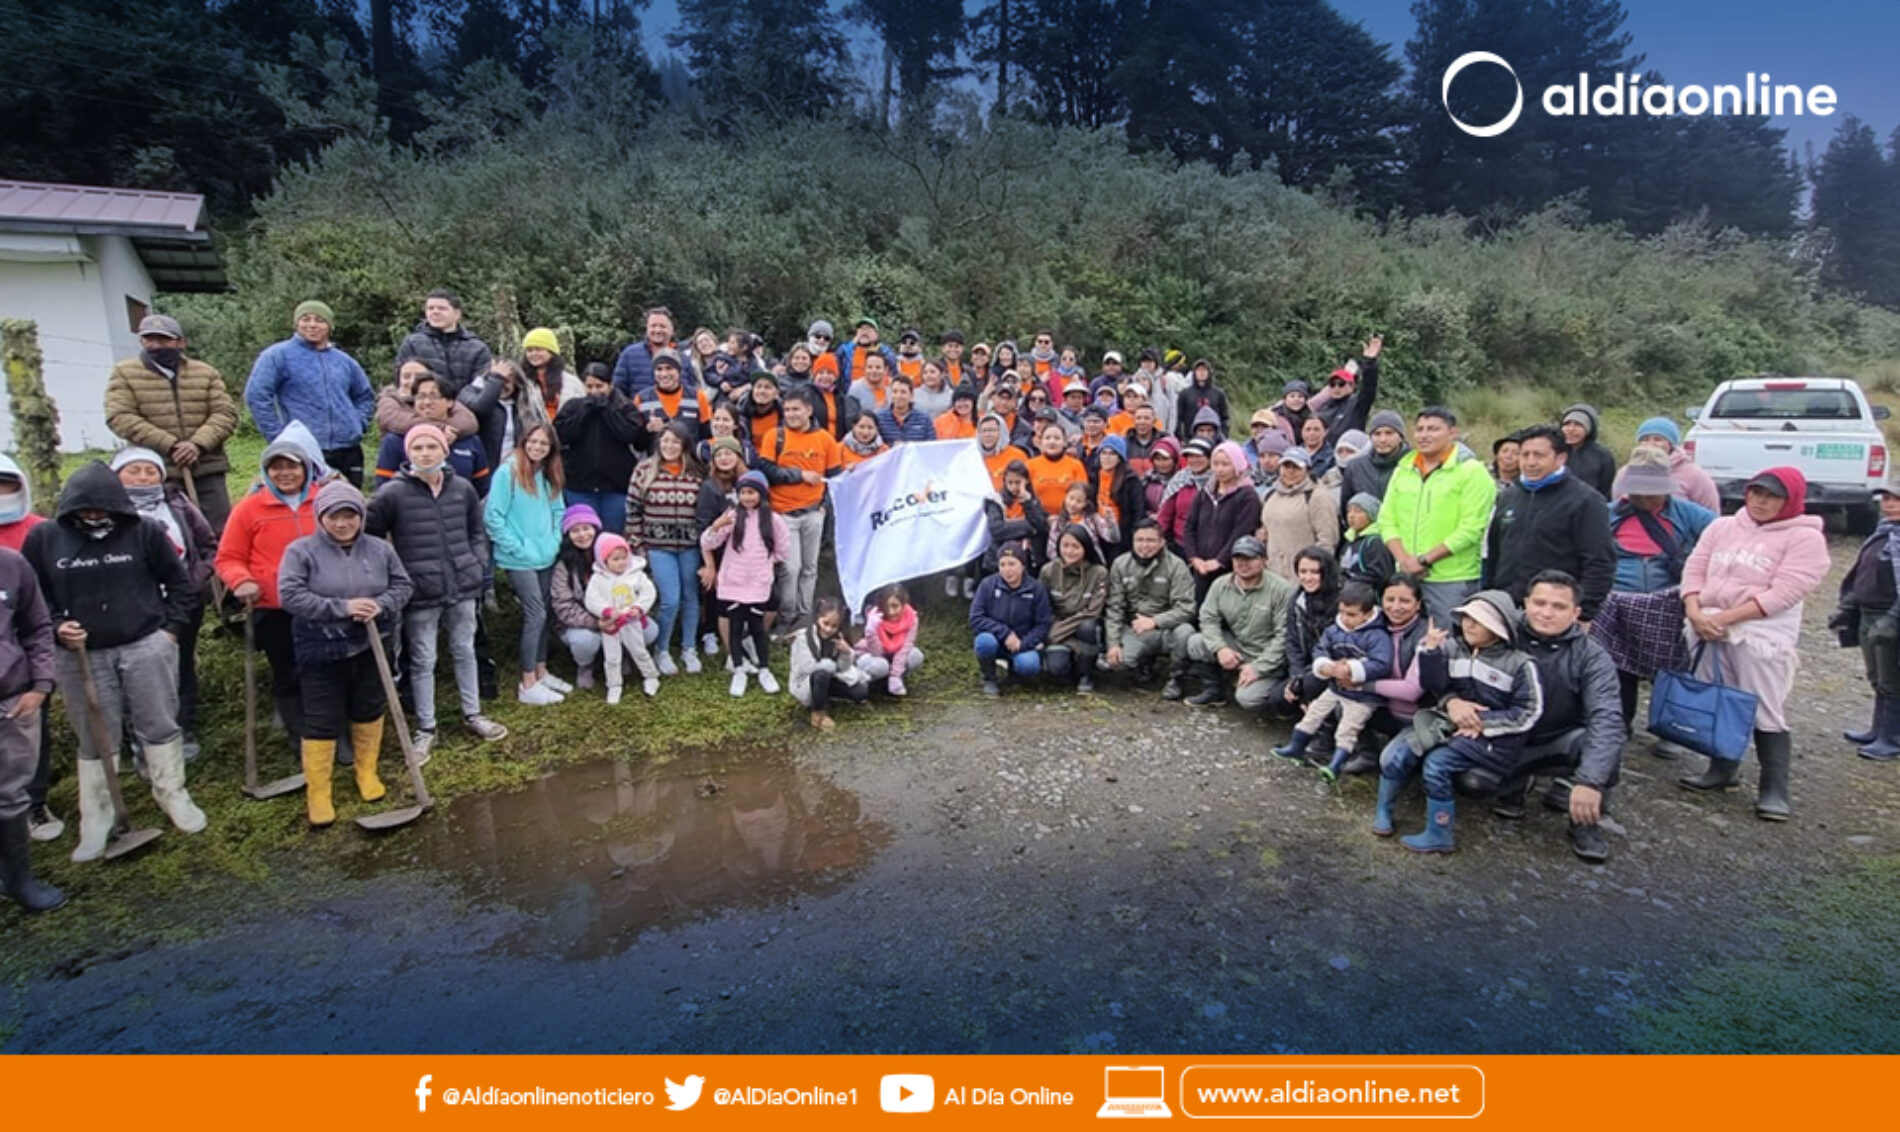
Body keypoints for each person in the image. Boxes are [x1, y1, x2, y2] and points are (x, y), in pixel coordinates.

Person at [26, 463, 202, 860]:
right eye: (85, 510)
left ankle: (173, 795)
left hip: (145, 643)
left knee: (158, 721)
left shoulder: (143, 532)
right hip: (80, 654)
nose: (93, 516)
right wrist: (57, 627)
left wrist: (169, 632)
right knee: (94, 733)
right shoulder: (45, 538)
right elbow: (34, 598)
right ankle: (98, 817)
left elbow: (181, 584)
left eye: (102, 509)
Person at [1675, 468, 1830, 820]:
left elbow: (1786, 592)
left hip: (1761, 631)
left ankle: (1774, 789)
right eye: (1756, 492)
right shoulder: (1723, 526)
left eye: (1772, 496)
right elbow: (1695, 568)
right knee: (1719, 695)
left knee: (1762, 705)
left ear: (1789, 500)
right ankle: (1722, 768)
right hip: (1707, 624)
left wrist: (1726, 619)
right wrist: (1695, 610)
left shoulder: (1805, 538)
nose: (1761, 501)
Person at [276, 481, 413, 826]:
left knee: (368, 707)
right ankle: (318, 792)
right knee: (321, 717)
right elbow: (290, 596)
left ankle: (366, 773)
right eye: (334, 516)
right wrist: (342, 607)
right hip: (321, 646)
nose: (343, 523)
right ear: (322, 517)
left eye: (350, 516)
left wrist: (380, 605)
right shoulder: (300, 551)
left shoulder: (380, 549)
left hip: (372, 642)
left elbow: (403, 586)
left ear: (360, 516)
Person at [367, 424, 507, 757]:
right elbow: (372, 538)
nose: (425, 453)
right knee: (422, 659)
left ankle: (473, 714)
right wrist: (396, 575)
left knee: (465, 649)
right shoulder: (392, 493)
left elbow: (476, 528)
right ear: (408, 453)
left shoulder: (462, 488)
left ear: (445, 451)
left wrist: (475, 562)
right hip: (419, 590)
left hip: (462, 584)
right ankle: (426, 727)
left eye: (432, 446)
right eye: (418, 448)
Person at [1373, 591, 1542, 853]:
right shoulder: (1453, 648)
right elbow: (1436, 686)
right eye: (1467, 617)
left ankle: (1440, 832)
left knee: (1436, 765)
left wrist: (1479, 722)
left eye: (1480, 620)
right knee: (1396, 754)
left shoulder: (1519, 664)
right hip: (1448, 722)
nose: (1470, 624)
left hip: (1493, 740)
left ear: (1500, 628)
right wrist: (1431, 656)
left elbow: (1529, 711)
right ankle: (1383, 812)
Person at [1490, 571, 1627, 863]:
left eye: (1559, 606)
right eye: (1539, 603)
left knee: (1606, 745)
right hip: (1504, 736)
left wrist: (1590, 781)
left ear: (1576, 612)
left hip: (1559, 740)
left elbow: (1607, 717)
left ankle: (1585, 822)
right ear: (1525, 602)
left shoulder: (1592, 656)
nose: (1546, 613)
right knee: (1472, 783)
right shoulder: (1500, 635)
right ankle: (1513, 787)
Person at [1590, 448, 1716, 746]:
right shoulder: (1609, 515)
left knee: (1668, 668)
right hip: (1616, 602)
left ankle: (1670, 727)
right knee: (1618, 668)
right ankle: (1618, 726)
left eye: (1652, 493)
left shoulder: (1689, 515)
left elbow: (1722, 539)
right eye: (1639, 492)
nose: (1646, 499)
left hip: (1668, 603)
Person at [217, 435, 325, 775]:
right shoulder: (249, 509)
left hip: (324, 603)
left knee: (326, 672)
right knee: (289, 672)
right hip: (274, 605)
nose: (285, 473)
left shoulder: (323, 501)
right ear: (266, 472)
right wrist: (241, 581)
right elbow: (229, 557)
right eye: (276, 467)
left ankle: (333, 734)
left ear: (305, 468)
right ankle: (302, 741)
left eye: (291, 466)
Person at [109, 448, 216, 762]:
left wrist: (191, 584)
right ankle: (140, 738)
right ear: (117, 475)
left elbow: (207, 546)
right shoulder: (108, 512)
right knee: (135, 672)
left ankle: (183, 728)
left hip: (180, 603)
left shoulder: (179, 505)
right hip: (133, 607)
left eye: (150, 471)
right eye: (134, 470)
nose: (143, 477)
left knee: (180, 665)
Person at [103, 314, 240, 532]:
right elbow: (120, 416)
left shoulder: (205, 373)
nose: (156, 345)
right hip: (155, 472)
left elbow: (225, 413)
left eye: (164, 340)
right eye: (150, 339)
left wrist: (197, 444)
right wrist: (171, 444)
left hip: (206, 467)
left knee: (219, 531)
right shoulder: (125, 373)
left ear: (180, 342)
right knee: (165, 532)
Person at [1483, 424, 1616, 620]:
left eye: (1539, 455)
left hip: (1555, 612)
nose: (1530, 462)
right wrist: (1490, 599)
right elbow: (1494, 553)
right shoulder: (1509, 496)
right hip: (1507, 607)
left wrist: (1584, 614)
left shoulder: (1585, 500)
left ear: (1560, 458)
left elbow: (1599, 562)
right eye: (1525, 455)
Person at [1380, 406, 1497, 627]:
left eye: (1433, 429)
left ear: (1453, 432)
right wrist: (1405, 560)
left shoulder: (1471, 471)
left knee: (1446, 643)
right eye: (1420, 429)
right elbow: (1387, 520)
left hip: (1451, 579)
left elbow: (1471, 528)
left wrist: (1425, 559)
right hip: (1406, 576)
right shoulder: (1403, 469)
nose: (1424, 435)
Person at [1270, 581, 1392, 781]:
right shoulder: (1335, 629)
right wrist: (1323, 665)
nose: (1345, 618)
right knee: (1314, 713)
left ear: (1368, 614)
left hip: (1363, 696)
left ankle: (1337, 763)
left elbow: (1382, 664)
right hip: (1336, 688)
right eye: (1342, 612)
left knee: (1348, 728)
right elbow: (1321, 648)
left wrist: (1353, 670)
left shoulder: (1377, 636)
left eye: (1352, 615)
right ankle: (1296, 747)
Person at [244, 301, 375, 486]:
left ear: (330, 326)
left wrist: (357, 424)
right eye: (306, 319)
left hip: (348, 449)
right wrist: (279, 438)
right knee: (308, 508)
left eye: (320, 320)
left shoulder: (345, 361)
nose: (312, 324)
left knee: (348, 507)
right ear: (297, 324)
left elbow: (364, 396)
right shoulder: (277, 356)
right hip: (303, 450)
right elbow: (257, 396)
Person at [0, 458, 62, 844]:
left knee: (33, 733)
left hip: (27, 654)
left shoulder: (40, 531)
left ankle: (33, 804)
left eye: (7, 486)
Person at [485, 421, 568, 705]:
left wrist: (555, 541)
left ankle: (542, 671)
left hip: (546, 554)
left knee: (544, 611)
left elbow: (559, 511)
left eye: (544, 444)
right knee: (535, 613)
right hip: (518, 559)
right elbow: (493, 517)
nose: (537, 448)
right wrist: (518, 548)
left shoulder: (547, 474)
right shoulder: (507, 472)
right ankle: (527, 681)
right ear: (523, 442)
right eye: (533, 442)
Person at [0, 538, 58, 909]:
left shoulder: (11, 564)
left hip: (12, 700)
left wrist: (40, 686)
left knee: (9, 794)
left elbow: (37, 627)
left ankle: (19, 881)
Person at [755, 388, 840, 634]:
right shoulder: (776, 436)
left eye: (796, 409)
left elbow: (834, 477)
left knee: (809, 568)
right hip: (783, 514)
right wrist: (799, 475)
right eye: (788, 410)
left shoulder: (825, 439)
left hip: (814, 512)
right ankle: (786, 615)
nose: (791, 414)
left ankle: (804, 618)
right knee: (789, 568)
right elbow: (767, 470)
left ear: (809, 410)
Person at [626, 421, 708, 676]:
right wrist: (637, 545)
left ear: (684, 444)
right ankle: (661, 649)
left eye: (675, 441)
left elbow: (705, 510)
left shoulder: (697, 471)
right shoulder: (644, 470)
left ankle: (688, 647)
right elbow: (632, 509)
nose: (670, 446)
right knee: (670, 600)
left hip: (690, 546)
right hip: (658, 546)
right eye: (665, 441)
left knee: (691, 598)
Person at [1178, 536, 1293, 709]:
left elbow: (1284, 637)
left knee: (1248, 699)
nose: (1243, 563)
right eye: (1238, 558)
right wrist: (1221, 648)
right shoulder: (1220, 584)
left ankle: (1282, 692)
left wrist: (1258, 668)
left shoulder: (1282, 590)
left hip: (1269, 656)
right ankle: (1214, 691)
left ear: (1264, 560)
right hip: (1239, 646)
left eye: (1250, 558)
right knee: (1196, 642)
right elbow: (1208, 618)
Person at [700, 471, 788, 697]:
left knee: (758, 628)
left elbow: (782, 550)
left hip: (758, 584)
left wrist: (763, 566)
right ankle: (738, 669)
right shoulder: (731, 516)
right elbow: (707, 542)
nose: (747, 497)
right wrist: (716, 526)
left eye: (752, 492)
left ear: (762, 494)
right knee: (735, 628)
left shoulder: (774, 520)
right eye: (743, 493)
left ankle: (764, 669)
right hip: (733, 583)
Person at [1835, 479, 1900, 760]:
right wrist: (1849, 604)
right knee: (1876, 676)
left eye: (1896, 500)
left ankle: (1892, 736)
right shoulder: (1882, 532)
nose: (1889, 504)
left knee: (1892, 679)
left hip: (1890, 615)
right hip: (1868, 613)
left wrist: (1893, 619)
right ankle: (1877, 728)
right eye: (1886, 498)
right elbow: (1861, 571)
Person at [555, 362, 643, 538]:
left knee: (611, 535)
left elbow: (630, 435)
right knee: (584, 535)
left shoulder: (624, 407)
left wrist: (607, 410)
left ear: (610, 386)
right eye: (589, 386)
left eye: (599, 386)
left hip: (615, 486)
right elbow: (562, 435)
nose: (594, 391)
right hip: (580, 485)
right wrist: (585, 411)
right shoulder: (573, 406)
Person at [1105, 519, 1196, 687]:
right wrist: (1113, 644)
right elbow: (1114, 608)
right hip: (1135, 629)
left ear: (1162, 542)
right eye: (1140, 540)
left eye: (1151, 540)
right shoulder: (1120, 564)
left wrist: (1155, 621)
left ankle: (1176, 678)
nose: (1145, 545)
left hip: (1166, 629)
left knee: (1186, 633)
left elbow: (1186, 608)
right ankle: (1143, 665)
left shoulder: (1176, 565)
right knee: (1117, 663)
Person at [373, 374, 491, 494]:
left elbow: (482, 489)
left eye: (434, 396)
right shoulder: (395, 440)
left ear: (450, 402)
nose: (427, 402)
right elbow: (383, 488)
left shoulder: (470, 441)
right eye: (421, 396)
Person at [584, 534, 663, 702]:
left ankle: (651, 676)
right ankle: (613, 685)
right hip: (611, 624)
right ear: (604, 560)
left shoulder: (636, 574)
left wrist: (638, 608)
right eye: (615, 559)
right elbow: (591, 599)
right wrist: (605, 611)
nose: (621, 562)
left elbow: (649, 592)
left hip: (631, 621)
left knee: (639, 650)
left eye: (624, 557)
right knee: (612, 657)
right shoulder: (598, 578)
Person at [1183, 441, 1262, 604]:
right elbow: (1190, 527)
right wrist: (1194, 557)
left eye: (1225, 464)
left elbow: (1241, 531)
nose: (1219, 469)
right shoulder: (1204, 493)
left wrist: (1220, 560)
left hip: (1230, 568)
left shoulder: (1247, 496)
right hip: (1201, 568)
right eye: (1216, 464)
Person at [970, 545, 1053, 697]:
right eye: (1002, 564)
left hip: (1021, 642)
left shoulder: (1036, 588)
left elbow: (1043, 624)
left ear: (1022, 565)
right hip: (996, 639)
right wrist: (1005, 633)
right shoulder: (987, 585)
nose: (1007, 570)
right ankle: (989, 678)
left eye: (1012, 564)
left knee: (1029, 665)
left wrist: (1023, 644)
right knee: (984, 642)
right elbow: (976, 617)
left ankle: (1014, 671)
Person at [551, 505, 617, 690]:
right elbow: (563, 605)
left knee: (649, 631)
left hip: (612, 614)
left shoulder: (612, 554)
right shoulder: (563, 565)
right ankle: (585, 666)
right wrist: (595, 622)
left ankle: (622, 657)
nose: (582, 535)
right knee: (586, 641)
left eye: (587, 528)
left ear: (596, 529)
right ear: (567, 534)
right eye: (575, 530)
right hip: (578, 623)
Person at [1270, 547, 1342, 716]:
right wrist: (1297, 676)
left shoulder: (1342, 601)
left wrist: (1304, 684)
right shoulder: (1297, 599)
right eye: (1303, 571)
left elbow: (1336, 650)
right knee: (1278, 699)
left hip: (1332, 667)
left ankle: (1320, 732)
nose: (1307, 578)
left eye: (1314, 572)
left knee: (1307, 689)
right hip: (1307, 668)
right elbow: (1292, 642)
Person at [1040, 526, 1109, 695]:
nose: (1069, 551)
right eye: (1065, 546)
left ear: (1086, 547)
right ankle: (1076, 655)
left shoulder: (1099, 572)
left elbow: (1093, 611)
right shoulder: (1048, 571)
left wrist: (1055, 634)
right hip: (1058, 623)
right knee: (1057, 669)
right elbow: (1042, 608)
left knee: (1088, 627)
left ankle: (1087, 675)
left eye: (1076, 546)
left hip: (1081, 625)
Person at [1258, 447, 1339, 583]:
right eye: (1286, 466)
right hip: (1273, 576)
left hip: (1303, 578)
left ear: (1307, 469)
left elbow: (1327, 540)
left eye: (1296, 467)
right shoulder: (1270, 495)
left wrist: (1314, 574)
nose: (1290, 471)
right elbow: (1265, 531)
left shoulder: (1317, 496)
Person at [394, 289, 495, 397]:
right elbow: (401, 381)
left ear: (457, 313)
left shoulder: (478, 349)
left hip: (466, 409)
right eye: (430, 308)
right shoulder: (412, 343)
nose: (435, 312)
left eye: (442, 308)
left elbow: (480, 387)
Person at [793, 596, 871, 730]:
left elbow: (843, 668)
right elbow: (807, 667)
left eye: (834, 626)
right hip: (807, 682)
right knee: (822, 674)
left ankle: (825, 696)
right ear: (818, 618)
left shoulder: (838, 639)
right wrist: (830, 666)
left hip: (831, 677)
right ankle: (818, 713)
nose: (828, 629)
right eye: (825, 623)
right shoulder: (804, 638)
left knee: (860, 692)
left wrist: (846, 653)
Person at [378, 360, 481, 443]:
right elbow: (399, 422)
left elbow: (468, 421)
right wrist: (440, 428)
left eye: (419, 375)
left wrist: (448, 431)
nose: (413, 380)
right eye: (406, 376)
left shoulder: (444, 396)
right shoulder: (389, 398)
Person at [1336, 409, 1409, 526]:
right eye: (1377, 434)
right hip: (1366, 536)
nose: (1382, 439)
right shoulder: (1356, 467)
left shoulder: (1414, 464)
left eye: (1389, 433)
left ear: (1401, 437)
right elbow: (1347, 506)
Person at [1306, 335, 1384, 444]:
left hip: (1351, 455)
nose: (1336, 388)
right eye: (1332, 384)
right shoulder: (1322, 408)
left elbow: (1369, 388)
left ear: (1352, 386)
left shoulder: (1357, 404)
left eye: (1341, 384)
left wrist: (1370, 361)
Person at [631, 350, 713, 453]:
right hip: (657, 465)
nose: (664, 374)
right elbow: (637, 445)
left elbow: (707, 436)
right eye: (659, 369)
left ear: (679, 371)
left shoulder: (698, 396)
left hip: (691, 464)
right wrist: (647, 430)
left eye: (669, 368)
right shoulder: (641, 399)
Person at [1633, 417, 1720, 511]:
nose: (1651, 444)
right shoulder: (1627, 472)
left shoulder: (1695, 475)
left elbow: (1711, 515)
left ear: (1671, 444)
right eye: (1645, 439)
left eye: (1658, 439)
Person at [855, 585, 924, 696]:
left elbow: (905, 647)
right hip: (870, 655)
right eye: (886, 607)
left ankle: (892, 679)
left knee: (915, 655)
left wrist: (895, 676)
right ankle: (865, 683)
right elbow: (877, 653)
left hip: (894, 656)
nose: (891, 612)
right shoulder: (875, 618)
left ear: (903, 604)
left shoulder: (911, 619)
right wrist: (871, 631)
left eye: (895, 606)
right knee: (881, 666)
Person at [983, 460, 1049, 575]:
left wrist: (1027, 503)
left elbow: (1041, 526)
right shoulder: (995, 501)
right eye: (1010, 483)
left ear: (1026, 481)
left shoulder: (1033, 501)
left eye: (1018, 482)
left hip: (1029, 559)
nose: (1013, 487)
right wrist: (1029, 528)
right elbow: (997, 530)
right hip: (999, 559)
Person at [611, 307, 685, 398]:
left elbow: (690, 392)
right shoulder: (629, 355)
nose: (657, 330)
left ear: (672, 329)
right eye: (653, 326)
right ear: (647, 328)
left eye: (662, 326)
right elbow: (618, 391)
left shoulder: (683, 358)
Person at [1155, 439, 1210, 556]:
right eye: (1191, 456)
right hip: (1180, 544)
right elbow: (1165, 514)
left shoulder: (1217, 481)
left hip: (1208, 545)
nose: (1194, 460)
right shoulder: (1180, 480)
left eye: (1199, 456)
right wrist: (1157, 537)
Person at [1025, 421, 1088, 518]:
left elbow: (1082, 496)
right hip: (1038, 520)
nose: (1052, 441)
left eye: (1057, 438)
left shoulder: (1076, 465)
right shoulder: (1030, 465)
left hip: (1068, 520)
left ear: (1064, 442)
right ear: (1040, 441)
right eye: (1047, 438)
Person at [1338, 492, 1395, 591]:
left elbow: (1379, 575)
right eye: (1349, 511)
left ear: (1371, 514)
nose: (1351, 515)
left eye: (1358, 511)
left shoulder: (1375, 542)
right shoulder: (1349, 539)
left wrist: (1352, 582)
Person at [1094, 436, 1144, 548]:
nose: (1107, 458)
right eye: (1104, 453)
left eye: (1112, 454)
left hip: (1122, 534)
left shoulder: (1131, 480)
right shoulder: (1094, 475)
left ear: (1120, 457)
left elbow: (1138, 511)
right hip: (1098, 531)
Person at [1559, 404, 1618, 499]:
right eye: (1567, 424)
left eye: (1578, 425)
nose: (1571, 429)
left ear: (1589, 429)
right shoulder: (1553, 451)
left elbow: (1607, 491)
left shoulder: (1602, 456)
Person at [1174, 358, 1230, 441]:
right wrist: (1181, 437)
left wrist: (1224, 435)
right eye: (1199, 370)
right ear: (1194, 373)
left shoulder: (1218, 394)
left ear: (1208, 373)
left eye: (1204, 370)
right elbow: (1179, 418)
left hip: (1214, 438)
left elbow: (1225, 417)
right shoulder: (1185, 394)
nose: (1201, 373)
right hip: (1191, 438)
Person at [835, 317, 899, 388]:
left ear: (876, 334)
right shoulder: (845, 352)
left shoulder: (887, 354)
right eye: (861, 329)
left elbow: (894, 378)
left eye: (868, 329)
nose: (864, 332)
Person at [874, 375, 937, 445]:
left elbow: (931, 445)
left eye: (903, 392)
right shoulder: (879, 417)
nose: (898, 396)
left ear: (911, 395)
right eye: (895, 392)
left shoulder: (924, 419)